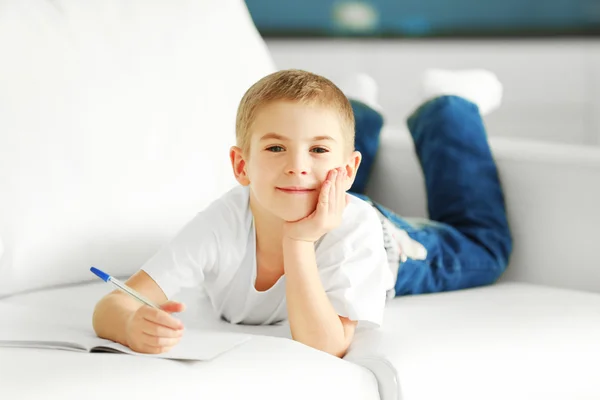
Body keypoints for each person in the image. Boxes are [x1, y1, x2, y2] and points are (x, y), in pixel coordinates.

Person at [92, 68, 512, 359]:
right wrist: (131, 327)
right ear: (241, 166)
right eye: (275, 148)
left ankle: (449, 109)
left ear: (349, 170)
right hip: (319, 197)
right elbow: (114, 304)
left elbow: (326, 345)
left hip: (384, 243)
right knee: (313, 170)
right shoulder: (221, 224)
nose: (296, 164)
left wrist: (298, 240)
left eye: (316, 149)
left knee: (484, 248)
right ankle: (356, 108)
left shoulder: (357, 230)